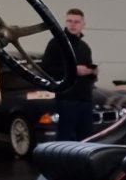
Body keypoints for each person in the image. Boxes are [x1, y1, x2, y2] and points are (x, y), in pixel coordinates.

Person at [42, 8, 98, 141]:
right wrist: (73, 70)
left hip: (85, 99)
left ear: (83, 24)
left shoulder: (84, 47)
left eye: (76, 22)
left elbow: (88, 72)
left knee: (86, 137)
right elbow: (46, 69)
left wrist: (92, 72)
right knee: (66, 138)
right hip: (66, 98)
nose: (72, 25)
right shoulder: (56, 43)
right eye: (69, 21)